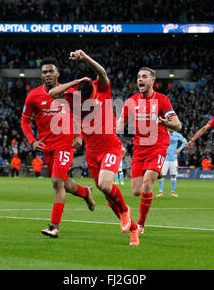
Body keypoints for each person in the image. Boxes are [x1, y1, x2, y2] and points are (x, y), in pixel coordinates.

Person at [49, 49, 141, 246]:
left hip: (110, 147)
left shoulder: (101, 88)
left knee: (106, 186)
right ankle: (133, 229)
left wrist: (85, 58)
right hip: (92, 152)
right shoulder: (74, 94)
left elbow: (103, 73)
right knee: (106, 193)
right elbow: (52, 93)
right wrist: (73, 82)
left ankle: (125, 210)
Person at [21, 57, 95, 238]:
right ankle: (86, 192)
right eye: (44, 72)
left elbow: (81, 115)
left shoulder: (69, 93)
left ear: (57, 74)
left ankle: (54, 226)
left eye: (50, 71)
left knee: (56, 183)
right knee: (65, 183)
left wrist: (79, 135)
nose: (47, 74)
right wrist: (32, 140)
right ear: (41, 75)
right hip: (46, 146)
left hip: (65, 143)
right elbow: (24, 120)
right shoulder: (33, 95)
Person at [117, 67, 182, 234]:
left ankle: (140, 225)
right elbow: (119, 125)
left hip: (158, 147)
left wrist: (165, 123)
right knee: (136, 191)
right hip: (139, 149)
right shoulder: (131, 101)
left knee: (147, 184)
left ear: (152, 81)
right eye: (138, 77)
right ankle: (155, 173)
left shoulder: (162, 100)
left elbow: (178, 124)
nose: (140, 79)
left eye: (144, 77)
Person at [157, 130, 187, 197]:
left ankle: (172, 192)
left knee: (173, 175)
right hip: (165, 158)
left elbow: (185, 142)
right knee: (162, 175)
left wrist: (179, 149)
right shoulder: (164, 134)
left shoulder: (177, 134)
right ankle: (160, 192)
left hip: (173, 158)